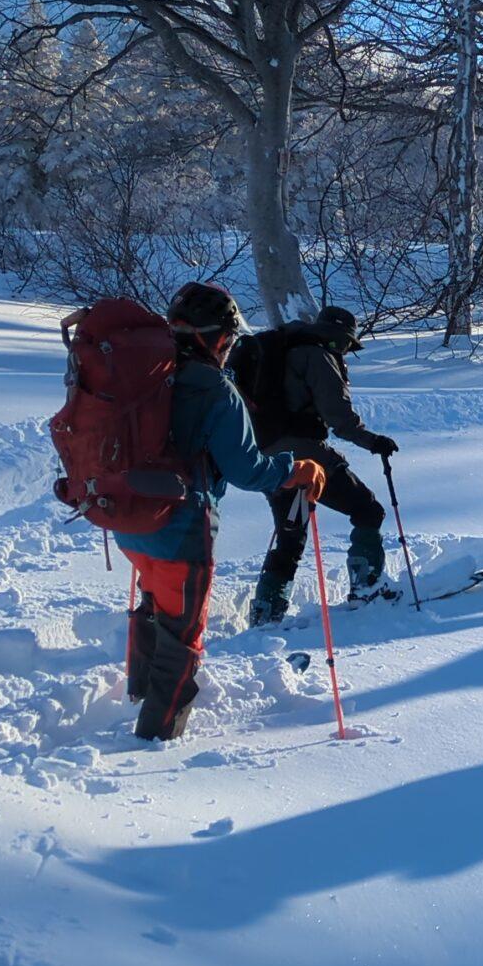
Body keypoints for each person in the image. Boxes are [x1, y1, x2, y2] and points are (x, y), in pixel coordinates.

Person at [117, 283, 322, 740]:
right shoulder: (215, 391)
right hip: (181, 527)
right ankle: (156, 736)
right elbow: (249, 469)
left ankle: (139, 690)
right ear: (218, 339)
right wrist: (296, 468)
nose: (230, 349)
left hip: (130, 522)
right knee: (183, 632)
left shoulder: (150, 373)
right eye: (228, 340)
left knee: (155, 602)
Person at [240, 306, 401, 622]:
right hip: (305, 457)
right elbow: (338, 417)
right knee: (368, 510)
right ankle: (367, 587)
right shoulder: (317, 355)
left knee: (291, 534)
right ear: (341, 338)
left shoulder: (282, 350)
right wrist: (373, 441)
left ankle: (267, 610)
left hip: (268, 457)